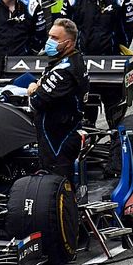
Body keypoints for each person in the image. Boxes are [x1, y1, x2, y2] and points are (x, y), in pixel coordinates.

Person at [60, 0, 133, 130]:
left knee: (116, 118)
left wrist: (118, 49)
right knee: (85, 118)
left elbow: (129, 27)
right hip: (83, 65)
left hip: (112, 64)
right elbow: (64, 30)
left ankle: (116, 151)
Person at [27, 18, 89, 181]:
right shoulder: (71, 60)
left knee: (55, 187)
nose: (49, 41)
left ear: (68, 43)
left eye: (55, 38)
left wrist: (34, 89)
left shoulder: (65, 70)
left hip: (58, 139)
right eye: (49, 36)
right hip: (62, 132)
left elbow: (36, 102)